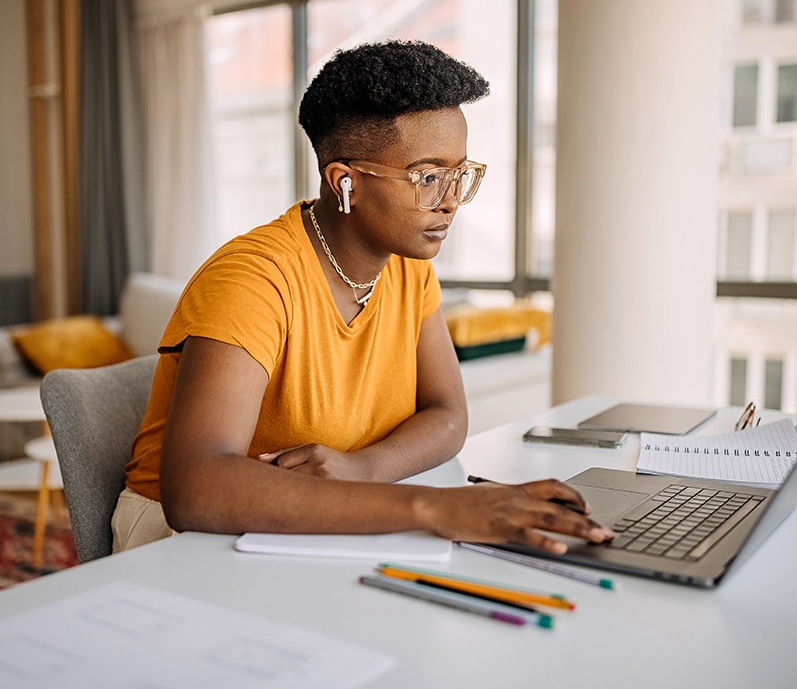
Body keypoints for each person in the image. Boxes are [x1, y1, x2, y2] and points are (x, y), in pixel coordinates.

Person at [111, 40, 613, 554]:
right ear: (345, 182)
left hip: (317, 517)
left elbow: (447, 416)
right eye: (428, 177)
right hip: (180, 541)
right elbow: (196, 490)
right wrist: (434, 507)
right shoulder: (253, 280)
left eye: (459, 175)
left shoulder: (408, 268)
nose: (450, 202)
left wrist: (361, 468)